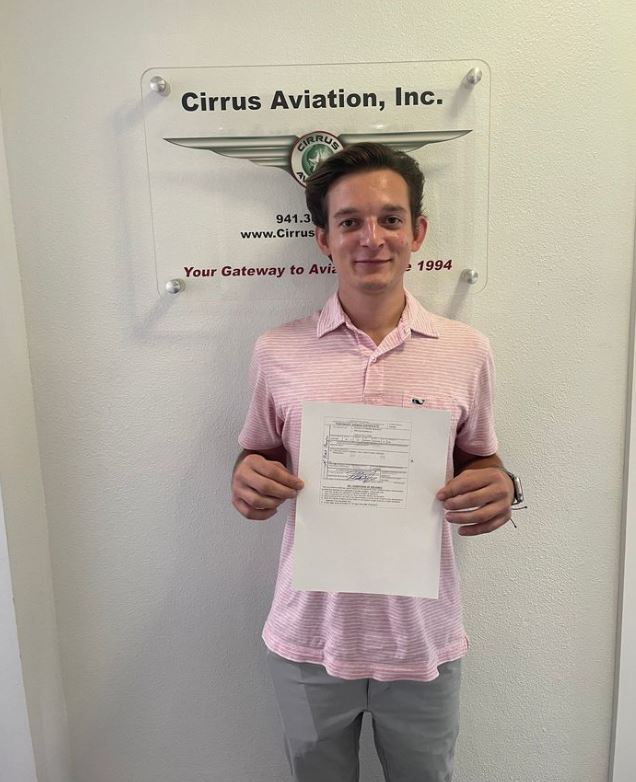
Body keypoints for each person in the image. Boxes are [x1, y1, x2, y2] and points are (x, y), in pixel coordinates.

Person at [231, 143, 519, 782]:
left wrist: (501, 488)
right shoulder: (276, 351)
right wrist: (245, 478)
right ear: (322, 239)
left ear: (418, 233)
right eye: (350, 221)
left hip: (422, 640)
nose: (372, 238)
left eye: (391, 219)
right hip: (309, 636)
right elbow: (257, 453)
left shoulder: (467, 350)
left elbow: (484, 460)